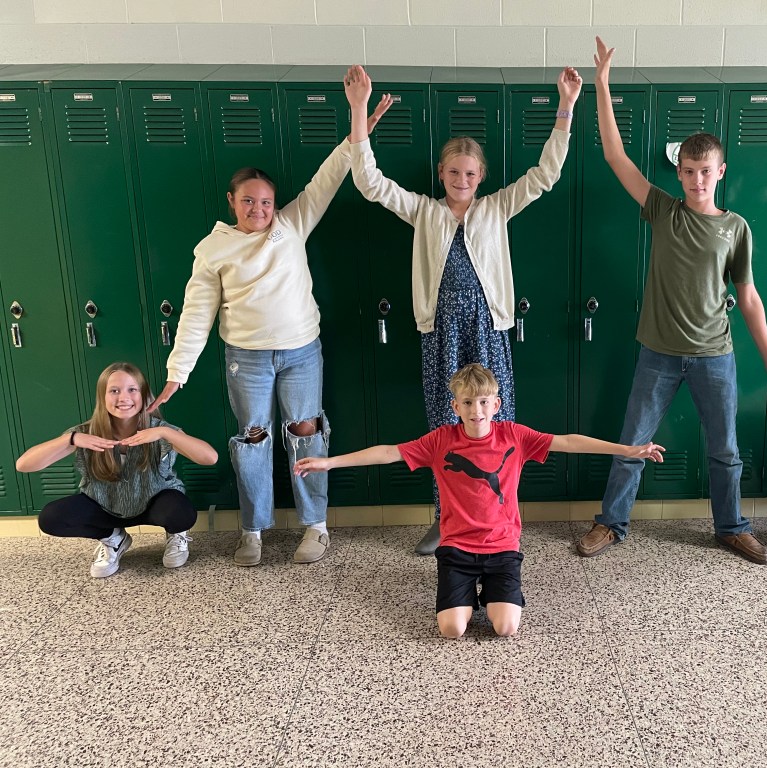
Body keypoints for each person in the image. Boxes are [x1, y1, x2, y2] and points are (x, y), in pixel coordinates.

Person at [342, 63, 582, 556]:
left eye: (470, 173)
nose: (461, 179)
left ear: (481, 177)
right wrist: (359, 110)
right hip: (442, 331)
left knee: (499, 417)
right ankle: (446, 516)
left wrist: (565, 108)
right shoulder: (425, 211)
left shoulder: (495, 207)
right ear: (441, 174)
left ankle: (502, 513)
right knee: (444, 424)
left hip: (488, 327)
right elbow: (369, 183)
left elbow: (545, 176)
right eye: (453, 172)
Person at [575, 37, 767, 565]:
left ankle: (731, 526)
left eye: (707, 171)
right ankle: (611, 523)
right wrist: (603, 84)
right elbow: (614, 155)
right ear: (679, 173)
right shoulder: (664, 210)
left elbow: (748, 297)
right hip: (657, 352)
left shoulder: (735, 227)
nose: (697, 180)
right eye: (689, 171)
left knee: (725, 450)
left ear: (720, 172)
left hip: (714, 356)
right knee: (632, 442)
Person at [148, 89, 393, 567]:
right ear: (232, 202)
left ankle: (315, 526)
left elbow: (330, 175)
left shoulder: (292, 223)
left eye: (265, 201)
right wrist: (178, 372)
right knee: (253, 439)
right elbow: (197, 313)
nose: (258, 209)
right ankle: (253, 530)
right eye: (248, 201)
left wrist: (362, 121)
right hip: (247, 358)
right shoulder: (212, 249)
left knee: (306, 433)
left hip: (301, 351)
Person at [294, 363, 664, 638]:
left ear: (496, 403)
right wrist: (328, 461)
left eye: (484, 402)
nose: (476, 411)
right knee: (452, 629)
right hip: (457, 547)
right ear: (456, 407)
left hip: (502, 546)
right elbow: (389, 452)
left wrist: (628, 450)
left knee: (505, 628)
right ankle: (469, 591)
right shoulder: (441, 441)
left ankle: (493, 591)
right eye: (468, 403)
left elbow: (567, 441)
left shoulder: (514, 436)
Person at [16, 362, 218, 577]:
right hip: (104, 506)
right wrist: (71, 439)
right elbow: (24, 465)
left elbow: (210, 458)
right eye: (114, 391)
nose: (123, 398)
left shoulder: (159, 430)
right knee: (51, 518)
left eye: (132, 390)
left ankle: (176, 535)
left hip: (153, 504)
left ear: (143, 396)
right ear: (102, 398)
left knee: (181, 512)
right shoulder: (86, 433)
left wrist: (165, 434)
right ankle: (113, 538)